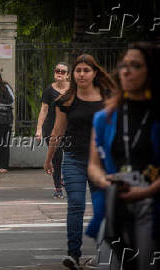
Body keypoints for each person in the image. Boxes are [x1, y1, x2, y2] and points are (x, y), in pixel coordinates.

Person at [88, 42, 160, 270]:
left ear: (151, 71)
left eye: (136, 66)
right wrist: (105, 181)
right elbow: (93, 165)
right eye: (123, 65)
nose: (126, 71)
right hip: (115, 202)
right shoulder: (104, 117)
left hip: (152, 202)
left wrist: (146, 191)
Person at [43, 54, 116, 269]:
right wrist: (49, 160)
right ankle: (73, 254)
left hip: (101, 163)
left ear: (94, 73)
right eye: (78, 70)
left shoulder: (108, 97)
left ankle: (105, 254)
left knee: (101, 207)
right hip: (73, 159)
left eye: (86, 70)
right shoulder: (66, 100)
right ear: (73, 74)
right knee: (75, 204)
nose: (82, 74)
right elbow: (57, 131)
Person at [36, 62, 70, 198]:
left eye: (63, 71)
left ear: (67, 75)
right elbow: (43, 110)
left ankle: (65, 177)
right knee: (56, 158)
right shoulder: (49, 90)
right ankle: (58, 189)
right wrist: (39, 129)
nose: (59, 73)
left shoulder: (73, 89)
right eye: (57, 71)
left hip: (69, 129)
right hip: (51, 128)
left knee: (70, 156)